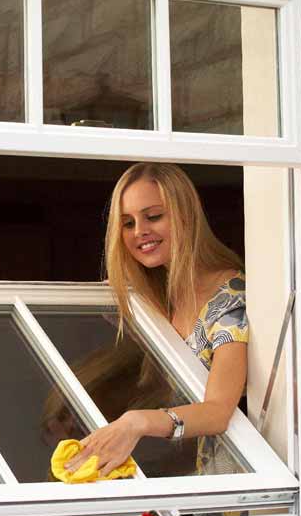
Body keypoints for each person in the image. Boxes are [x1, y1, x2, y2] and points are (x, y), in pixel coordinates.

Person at [65, 162, 248, 478]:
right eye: (127, 223)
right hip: (188, 486)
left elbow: (218, 413)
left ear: (186, 216)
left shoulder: (231, 298)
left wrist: (136, 422)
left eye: (153, 216)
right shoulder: (154, 304)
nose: (140, 232)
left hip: (235, 494)